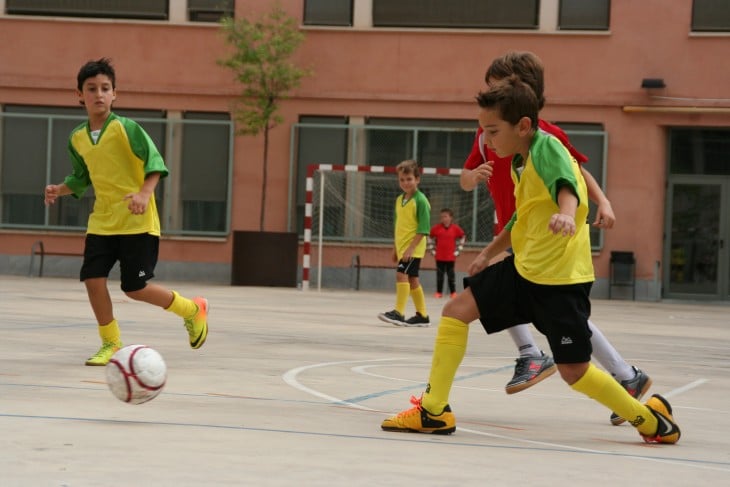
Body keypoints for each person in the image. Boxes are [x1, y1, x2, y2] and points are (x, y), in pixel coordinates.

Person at [380, 76, 680, 444]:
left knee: (575, 372)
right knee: (457, 311)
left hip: (559, 282)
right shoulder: (520, 161)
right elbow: (522, 216)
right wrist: (489, 253)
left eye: (492, 132)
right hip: (525, 270)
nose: (487, 141)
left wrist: (568, 213)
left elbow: (568, 185)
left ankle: (650, 421)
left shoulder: (547, 147)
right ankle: (433, 411)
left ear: (523, 125)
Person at [461, 52, 650, 426]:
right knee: (540, 306)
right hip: (516, 228)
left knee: (548, 307)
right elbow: (465, 177)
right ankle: (624, 375)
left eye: (501, 84)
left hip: (549, 233)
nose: (494, 91)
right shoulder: (488, 133)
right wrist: (472, 177)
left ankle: (535, 354)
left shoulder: (546, 136)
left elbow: (576, 173)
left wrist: (604, 202)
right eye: (492, 85)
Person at [43, 58, 209, 366]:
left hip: (137, 222)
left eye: (105, 88)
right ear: (79, 95)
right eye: (91, 89)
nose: (99, 94)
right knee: (93, 279)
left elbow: (155, 163)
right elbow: (81, 178)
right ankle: (111, 343)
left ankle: (192, 309)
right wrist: (59, 189)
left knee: (135, 288)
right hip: (103, 221)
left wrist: (145, 194)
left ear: (115, 94)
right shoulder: (77, 138)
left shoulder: (127, 128)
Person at [377, 159, 432, 327]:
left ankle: (399, 313)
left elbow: (424, 229)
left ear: (417, 179)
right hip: (403, 248)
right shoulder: (399, 200)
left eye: (409, 179)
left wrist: (410, 248)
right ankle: (422, 315)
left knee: (401, 275)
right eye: (402, 179)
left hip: (413, 248)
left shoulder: (421, 201)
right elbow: (398, 226)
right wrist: (396, 248)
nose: (406, 183)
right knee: (413, 279)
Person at [428, 208, 466, 299]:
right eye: (441, 217)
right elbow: (429, 236)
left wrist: (459, 249)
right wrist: (431, 248)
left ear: (451, 217)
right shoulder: (436, 228)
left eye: (445, 216)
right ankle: (438, 292)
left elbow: (463, 236)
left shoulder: (455, 228)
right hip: (439, 256)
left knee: (451, 275)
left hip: (450, 257)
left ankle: (453, 292)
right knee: (439, 275)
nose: (443, 219)